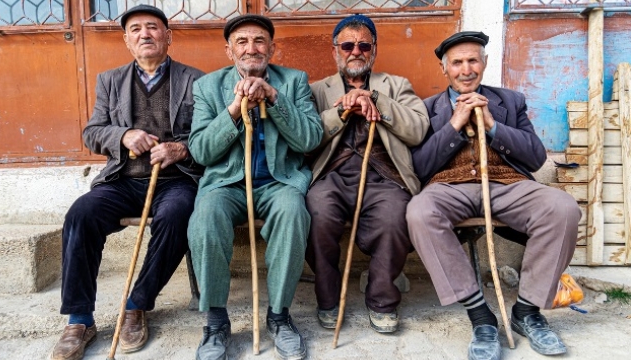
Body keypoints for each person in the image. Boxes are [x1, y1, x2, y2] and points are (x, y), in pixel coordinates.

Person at [405, 31, 581, 360]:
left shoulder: (509, 102)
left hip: (506, 183)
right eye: (457, 63)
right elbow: (418, 166)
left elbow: (535, 156)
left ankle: (527, 312)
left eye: (473, 60)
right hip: (449, 186)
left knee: (563, 207)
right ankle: (481, 317)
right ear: (445, 69)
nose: (466, 69)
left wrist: (492, 126)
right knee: (419, 212)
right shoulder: (424, 109)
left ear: (484, 63)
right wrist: (454, 125)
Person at [50, 5, 205, 360]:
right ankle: (79, 318)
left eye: (153, 27)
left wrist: (181, 148)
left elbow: (210, 135)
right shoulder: (110, 80)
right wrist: (123, 135)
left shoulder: (196, 79)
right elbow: (92, 133)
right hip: (123, 180)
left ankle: (137, 304)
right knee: (81, 215)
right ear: (127, 40)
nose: (144, 34)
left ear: (168, 36)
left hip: (175, 180)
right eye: (135, 30)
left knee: (179, 214)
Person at [186, 14, 323, 360]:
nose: (251, 48)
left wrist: (275, 99)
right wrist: (233, 110)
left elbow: (310, 139)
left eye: (259, 41)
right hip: (227, 184)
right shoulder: (208, 87)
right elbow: (201, 150)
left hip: (279, 182)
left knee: (293, 213)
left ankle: (279, 317)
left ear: (272, 48)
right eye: (242, 42)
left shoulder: (294, 81)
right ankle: (215, 322)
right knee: (204, 219)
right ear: (229, 50)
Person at [305, 14, 429, 333]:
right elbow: (303, 139)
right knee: (317, 213)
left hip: (383, 176)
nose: (355, 51)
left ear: (373, 50)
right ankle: (329, 298)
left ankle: (382, 301)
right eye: (347, 45)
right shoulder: (317, 90)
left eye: (363, 45)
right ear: (336, 51)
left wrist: (376, 99)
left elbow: (418, 130)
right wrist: (341, 111)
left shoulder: (396, 85)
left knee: (394, 217)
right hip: (331, 176)